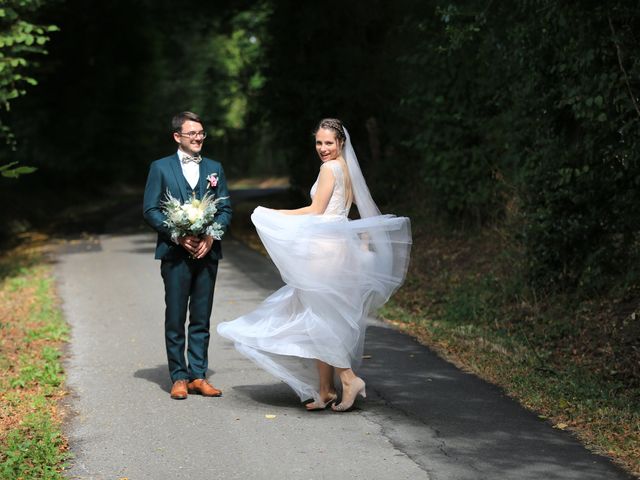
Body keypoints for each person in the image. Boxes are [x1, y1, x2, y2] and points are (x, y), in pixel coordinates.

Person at [217, 118, 411, 411]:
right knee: (322, 311)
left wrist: (273, 213)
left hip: (324, 251)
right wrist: (364, 243)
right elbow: (360, 208)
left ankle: (348, 378)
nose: (323, 149)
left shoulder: (329, 168)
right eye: (319, 143)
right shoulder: (346, 169)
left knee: (319, 315)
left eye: (329, 143)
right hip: (339, 248)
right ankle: (324, 390)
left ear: (341, 143)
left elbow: (315, 211)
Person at [143, 111, 232, 400]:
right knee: (176, 315)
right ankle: (178, 376)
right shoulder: (160, 168)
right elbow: (151, 209)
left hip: (207, 253)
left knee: (201, 318)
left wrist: (210, 235)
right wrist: (177, 235)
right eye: (192, 133)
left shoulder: (214, 167)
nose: (198, 138)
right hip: (175, 253)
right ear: (177, 136)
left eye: (201, 133)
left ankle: (198, 375)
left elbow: (225, 209)